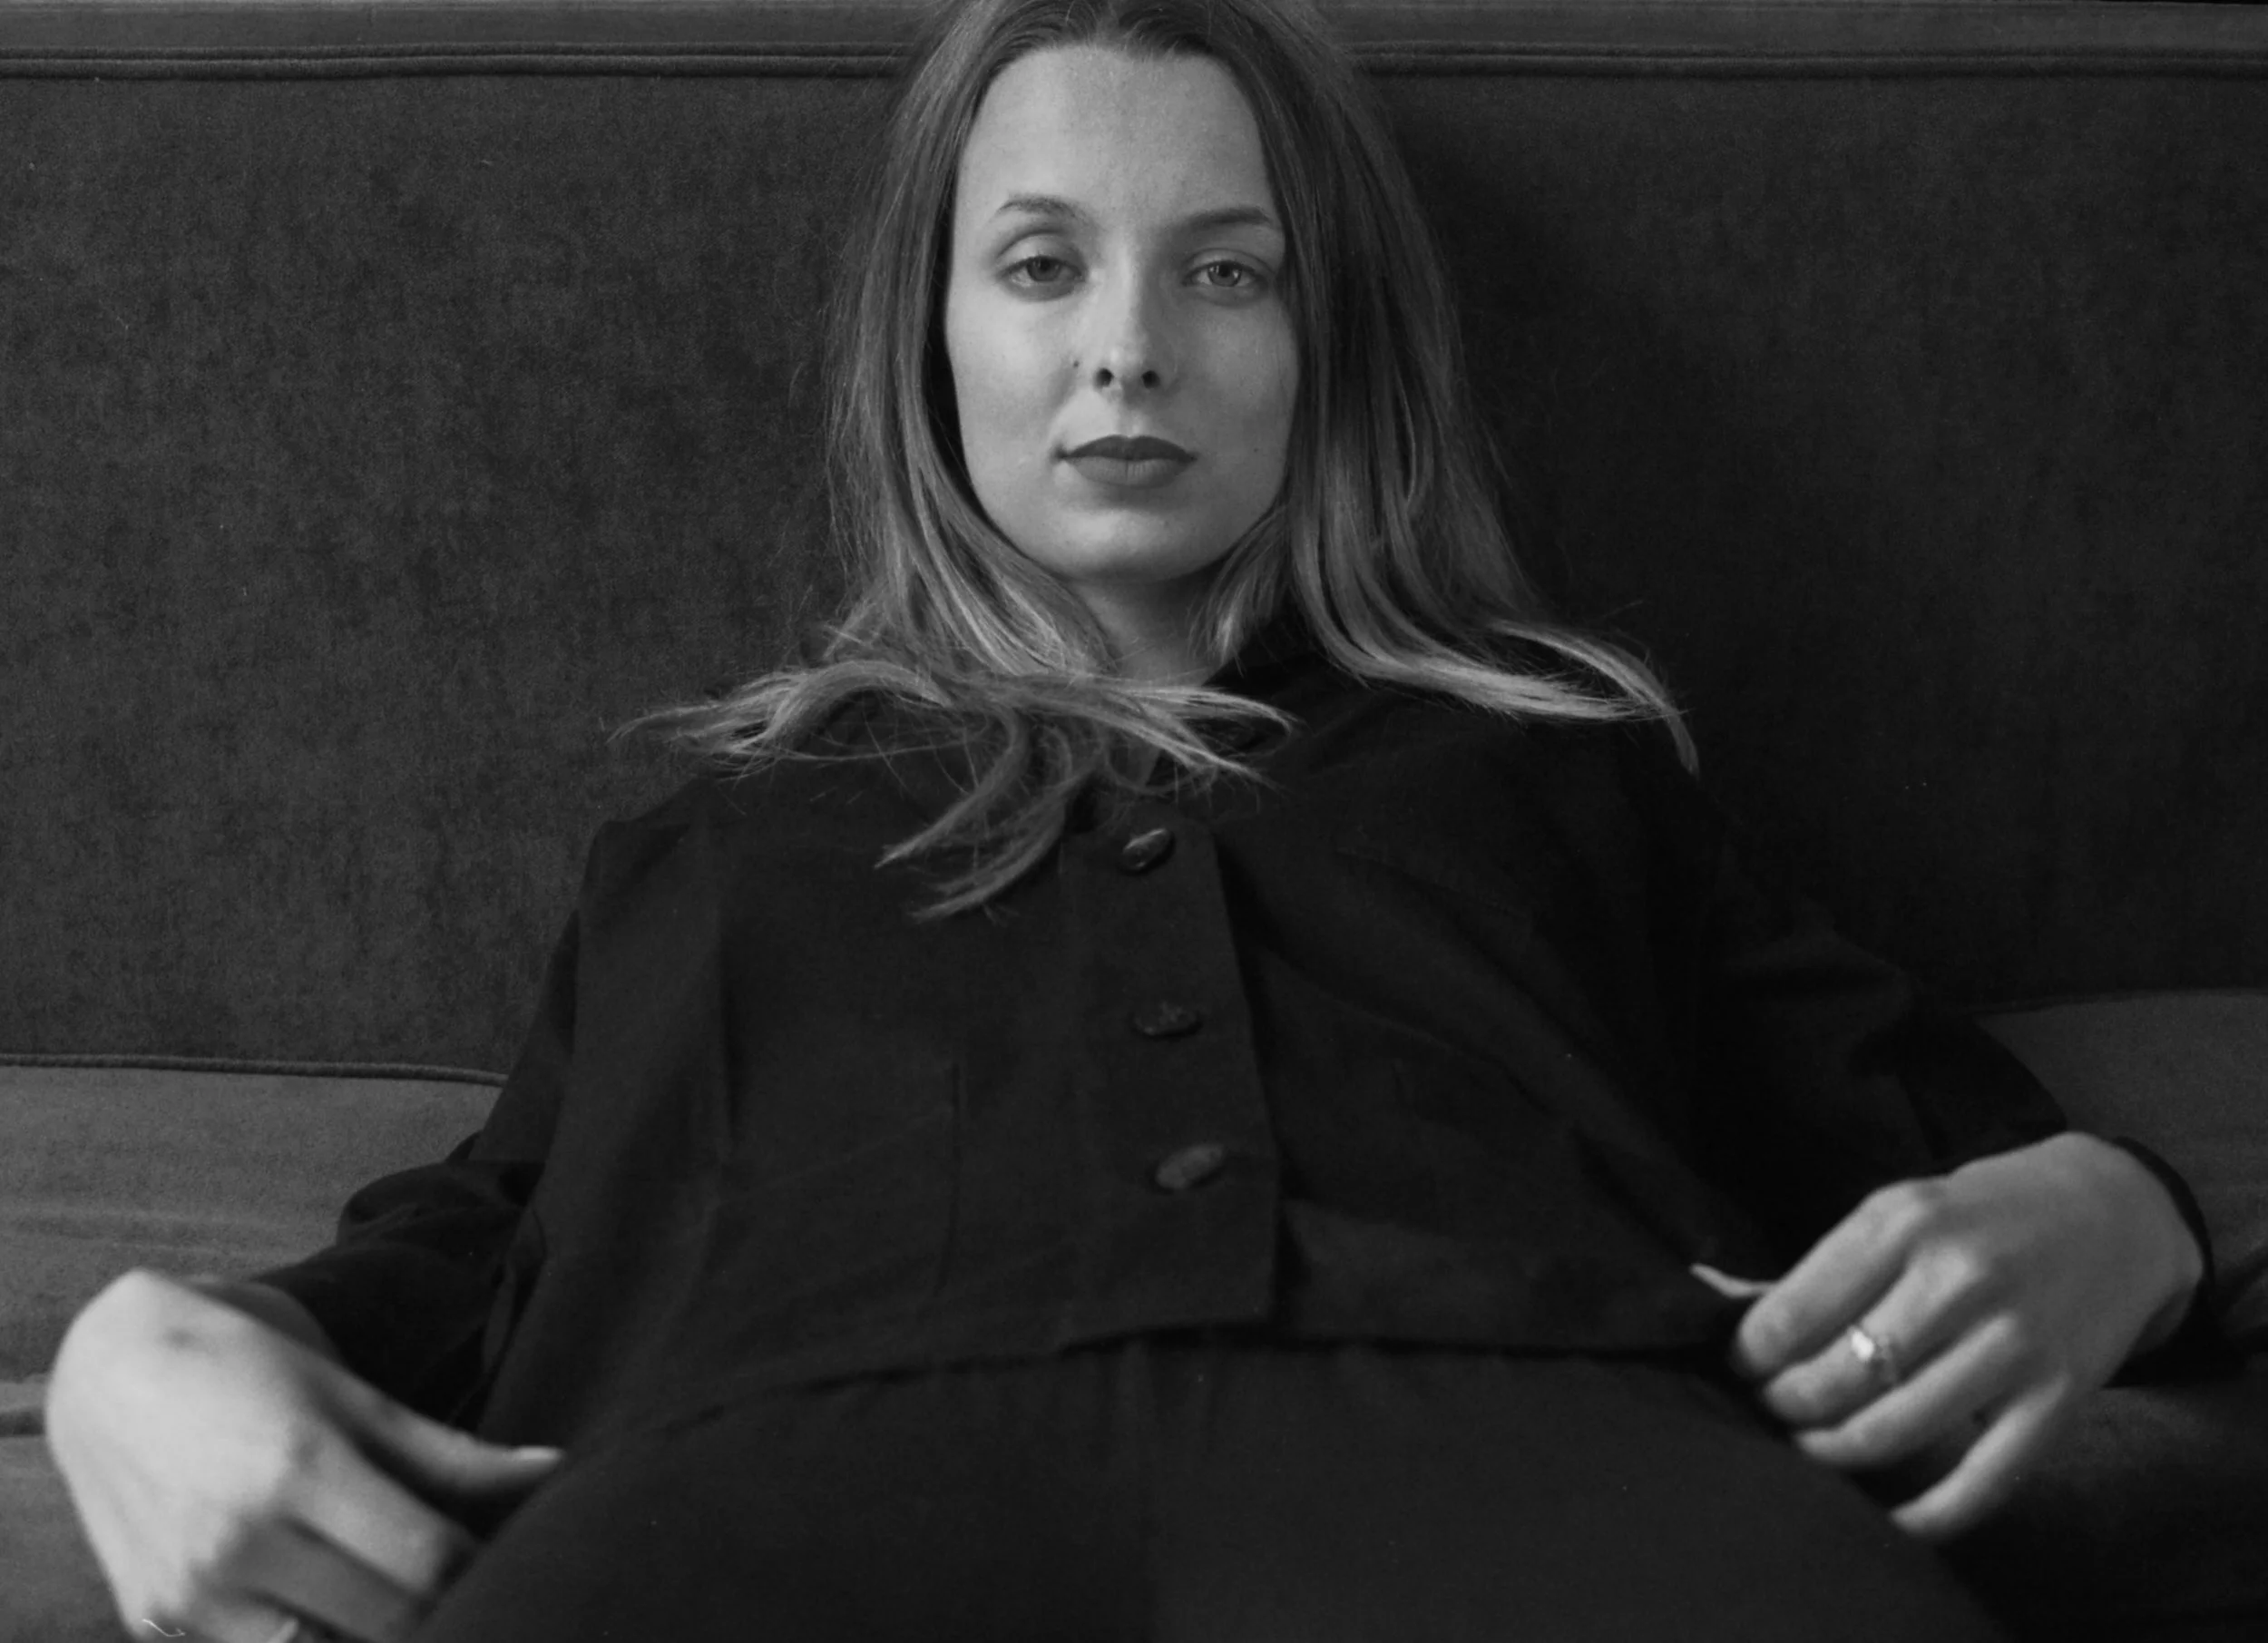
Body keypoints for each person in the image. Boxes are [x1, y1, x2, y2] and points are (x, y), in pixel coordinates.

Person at [44, 0, 2224, 1639]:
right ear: (931, 340)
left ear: (1322, 342)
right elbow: (474, 1234)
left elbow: (1946, 1138)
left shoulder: (1547, 763)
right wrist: (141, 1347)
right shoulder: (727, 832)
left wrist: (2125, 1212)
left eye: (1226, 269)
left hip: (1527, 1446)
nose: (1125, 353)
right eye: (1037, 264)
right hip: (767, 1469)